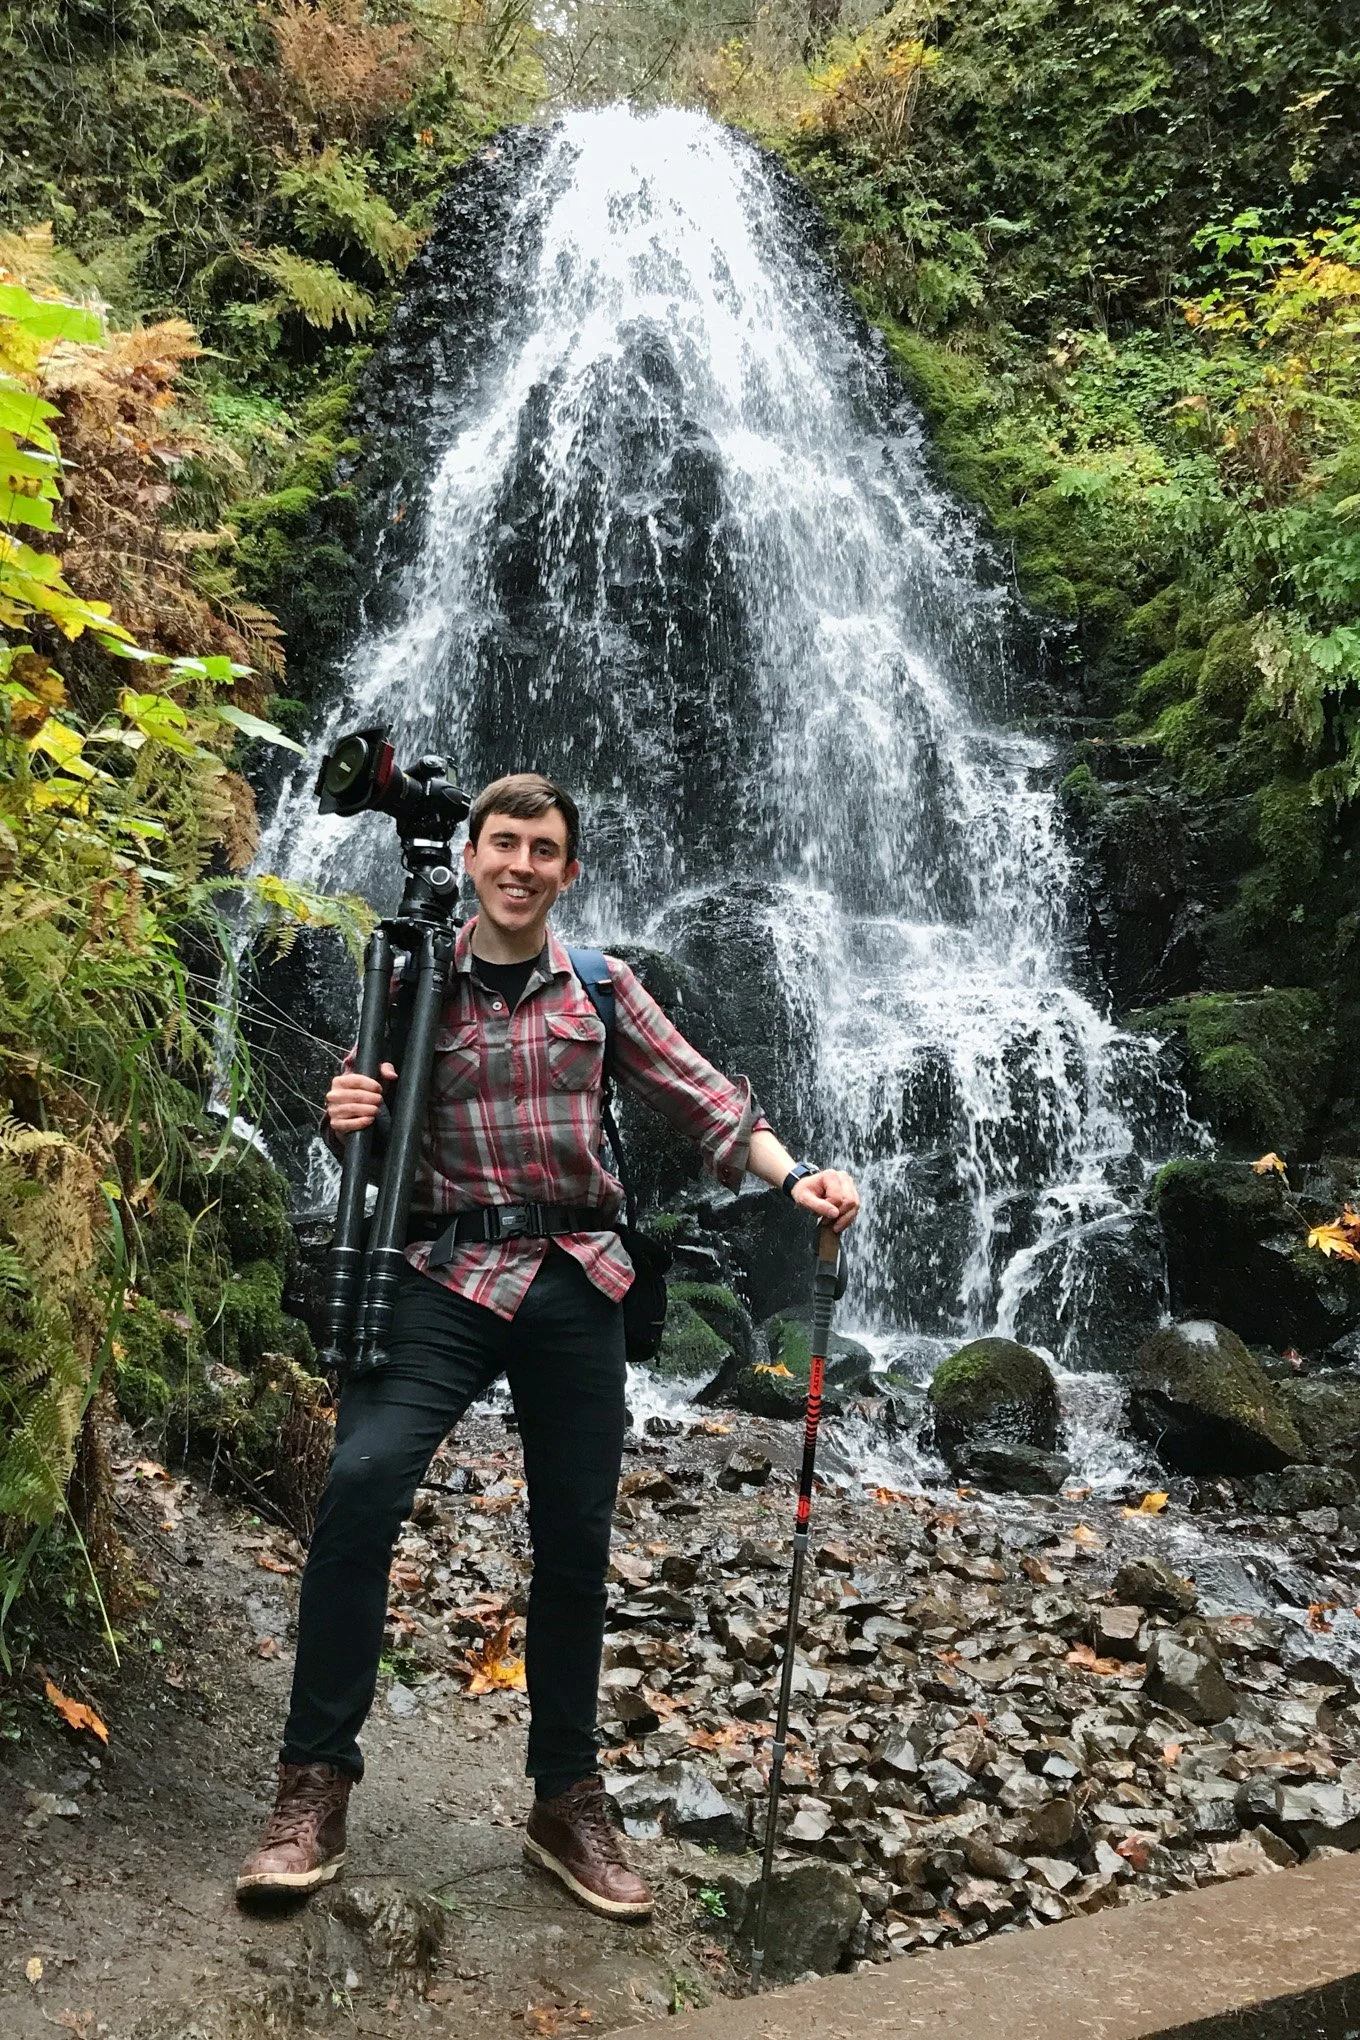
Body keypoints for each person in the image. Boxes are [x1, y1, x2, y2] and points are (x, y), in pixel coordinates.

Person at [235, 771, 860, 1919]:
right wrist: (345, 1123)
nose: (521, 865)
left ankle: (564, 1797)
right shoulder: (410, 980)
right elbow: (361, 1134)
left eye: (544, 850)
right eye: (503, 843)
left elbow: (707, 1102)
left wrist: (795, 1177)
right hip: (440, 1274)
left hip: (577, 1277)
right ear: (472, 856)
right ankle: (313, 1778)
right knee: (364, 1483)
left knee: (574, 1535)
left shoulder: (602, 988)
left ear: (568, 872)